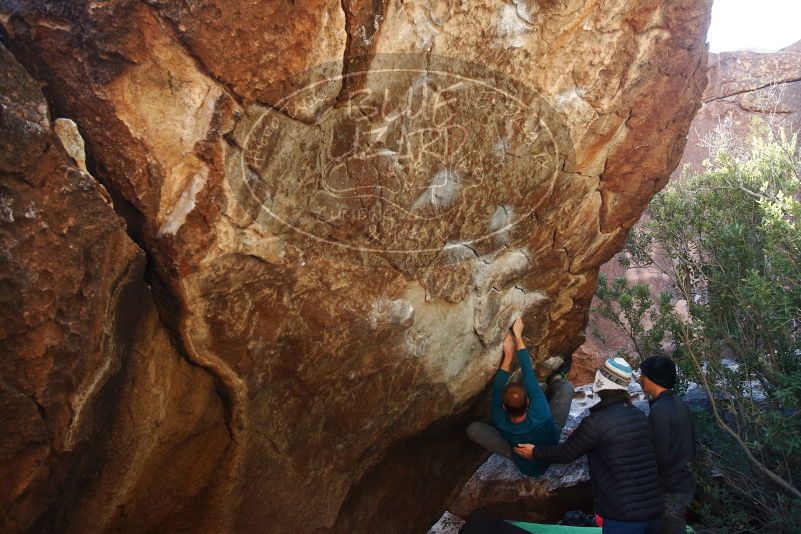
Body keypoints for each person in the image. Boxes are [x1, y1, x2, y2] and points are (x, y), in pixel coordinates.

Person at [514, 358, 664, 534]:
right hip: (654, 509)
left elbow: (566, 454)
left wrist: (535, 452)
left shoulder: (596, 422)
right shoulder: (638, 415)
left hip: (623, 515)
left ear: (601, 382)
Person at [466, 317, 574, 477]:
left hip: (523, 461)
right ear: (529, 402)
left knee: (473, 429)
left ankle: (513, 451)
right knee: (566, 388)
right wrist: (517, 336)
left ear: (503, 407)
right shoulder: (541, 411)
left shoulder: (500, 420)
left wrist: (507, 357)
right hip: (550, 442)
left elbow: (497, 390)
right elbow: (528, 374)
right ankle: (556, 380)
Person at [639, 356, 696, 534]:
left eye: (642, 374)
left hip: (670, 489)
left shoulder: (660, 410)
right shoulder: (679, 404)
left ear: (651, 379)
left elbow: (659, 455)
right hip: (683, 483)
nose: (640, 379)